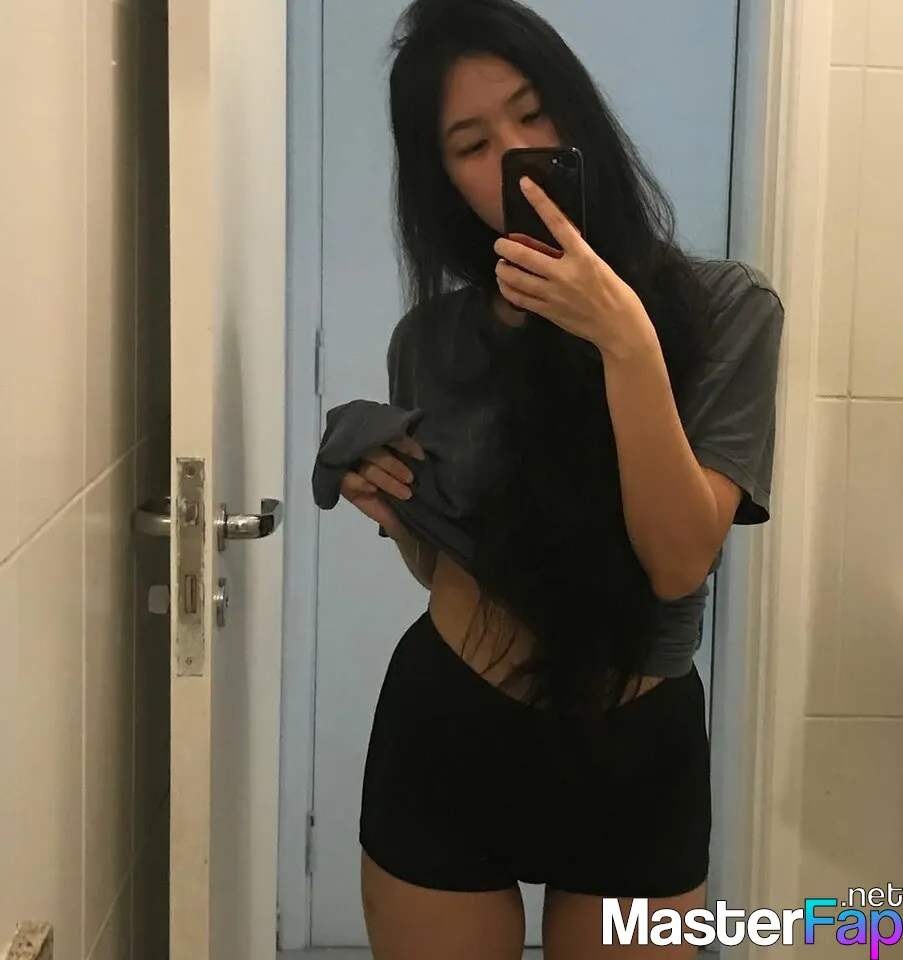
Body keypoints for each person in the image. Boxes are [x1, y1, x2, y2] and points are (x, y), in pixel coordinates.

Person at [318, 0, 784, 956]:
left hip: (635, 747)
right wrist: (396, 506)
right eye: (471, 143)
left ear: (580, 114)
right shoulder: (430, 340)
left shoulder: (725, 310)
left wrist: (625, 341)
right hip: (449, 725)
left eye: (533, 114)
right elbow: (445, 567)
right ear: (444, 179)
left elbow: (676, 561)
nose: (516, 153)